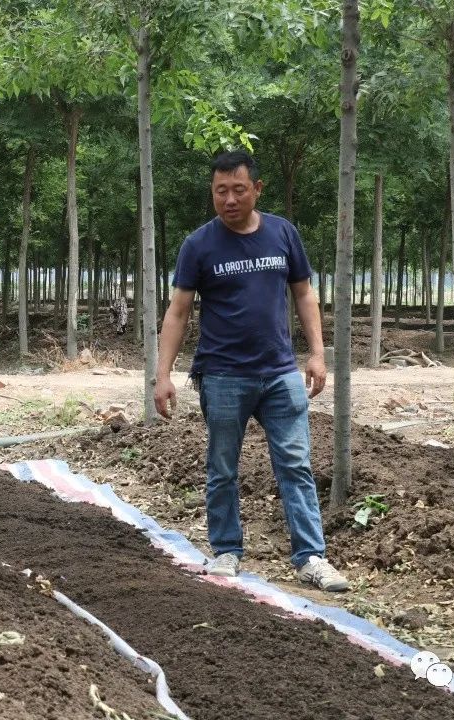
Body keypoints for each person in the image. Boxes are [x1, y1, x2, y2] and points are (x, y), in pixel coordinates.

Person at [154, 150, 349, 592]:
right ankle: (226, 551)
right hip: (223, 376)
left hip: (280, 373)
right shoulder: (199, 245)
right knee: (222, 467)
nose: (228, 199)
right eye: (220, 191)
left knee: (296, 464)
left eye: (238, 190)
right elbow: (178, 312)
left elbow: (304, 294)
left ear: (257, 189)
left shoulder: (283, 233)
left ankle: (311, 558)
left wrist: (318, 353)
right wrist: (163, 375)